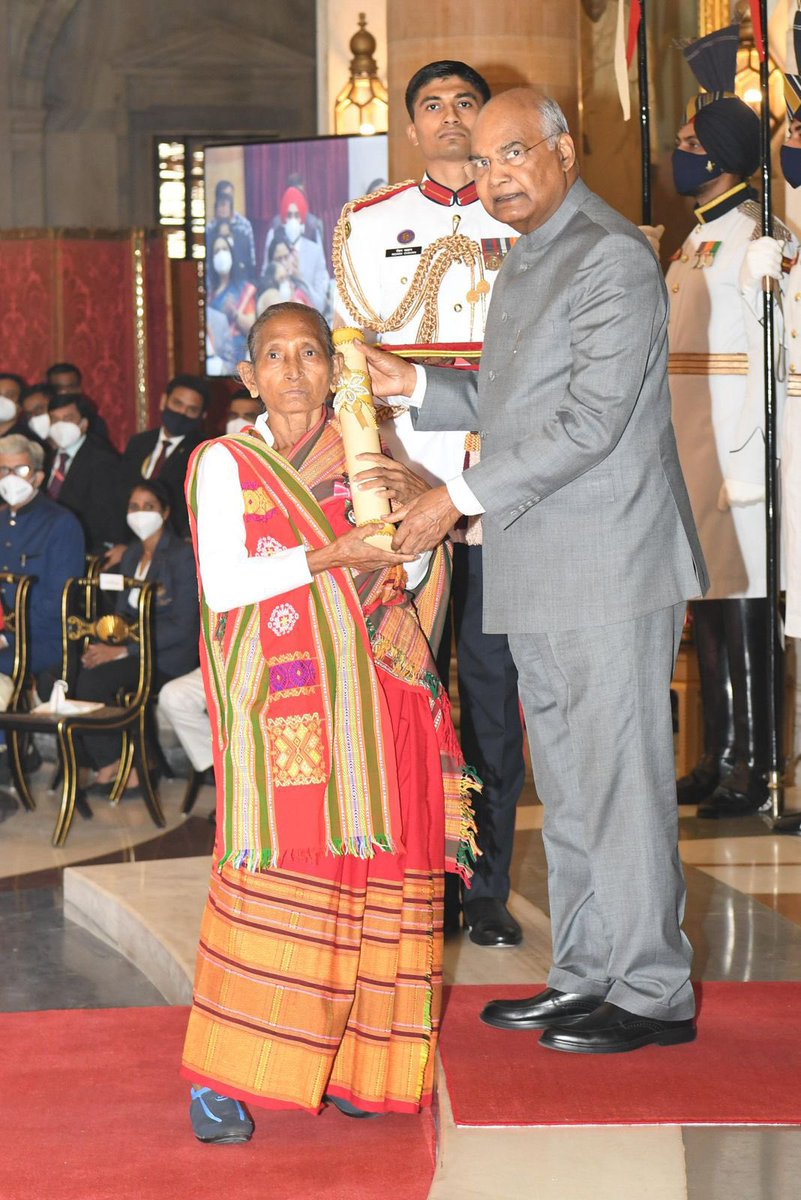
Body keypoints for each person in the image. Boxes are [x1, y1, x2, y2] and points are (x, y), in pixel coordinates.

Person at [361, 87, 708, 1055]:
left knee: (621, 779)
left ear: (563, 152)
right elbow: (511, 397)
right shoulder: (531, 258)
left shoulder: (610, 257)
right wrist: (417, 384)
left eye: (513, 154)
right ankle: (587, 971)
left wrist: (454, 501)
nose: (493, 176)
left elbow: (587, 422)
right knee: (567, 779)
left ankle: (652, 990)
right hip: (541, 562)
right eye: (481, 160)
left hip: (607, 564)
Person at [181, 302, 477, 1141]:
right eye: (274, 356)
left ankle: (356, 1066)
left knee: (370, 870)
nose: (294, 370)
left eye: (309, 353)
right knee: (276, 874)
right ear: (248, 377)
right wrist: (329, 556)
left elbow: (412, 564)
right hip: (283, 702)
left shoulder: (368, 455)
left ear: (332, 368)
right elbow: (227, 583)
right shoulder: (224, 464)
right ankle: (223, 1079)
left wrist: (410, 536)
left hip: (378, 694)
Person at [333, 60, 525, 948]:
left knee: (492, 692)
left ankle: (485, 887)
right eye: (433, 107)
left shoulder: (529, 211)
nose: (450, 119)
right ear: (410, 127)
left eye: (465, 104)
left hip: (505, 492)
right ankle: (420, 870)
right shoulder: (368, 225)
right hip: (408, 493)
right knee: (407, 686)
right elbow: (350, 377)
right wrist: (384, 476)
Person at [656, 26, 794, 818]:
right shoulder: (698, 239)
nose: (679, 156)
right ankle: (717, 752)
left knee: (744, 609)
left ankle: (754, 758)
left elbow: (764, 366)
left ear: (718, 157)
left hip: (735, 457)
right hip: (693, 450)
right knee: (705, 604)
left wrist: (747, 462)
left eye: (686, 144)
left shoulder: (754, 241)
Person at [77, 478, 199, 791]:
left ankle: (127, 766)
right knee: (76, 669)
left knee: (92, 682)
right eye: (134, 507)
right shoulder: (131, 555)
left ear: (166, 512)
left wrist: (122, 652)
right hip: (132, 649)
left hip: (168, 657)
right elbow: (123, 614)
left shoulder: (182, 557)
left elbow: (183, 626)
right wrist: (107, 640)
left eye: (149, 507)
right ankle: (112, 761)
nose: (140, 513)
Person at [0, 434, 85, 692]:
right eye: (4, 469)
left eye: (21, 470)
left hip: (43, 639)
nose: (11, 477)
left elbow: (58, 600)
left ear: (38, 476)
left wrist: (7, 635)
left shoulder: (61, 523)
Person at [114, 373, 210, 546]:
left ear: (202, 416)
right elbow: (121, 494)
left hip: (174, 547)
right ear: (163, 401)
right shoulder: (139, 442)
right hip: (129, 543)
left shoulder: (204, 452)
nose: (182, 413)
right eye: (177, 403)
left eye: (192, 410)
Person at [44, 392, 125, 554]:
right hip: (47, 543)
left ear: (84, 424)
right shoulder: (45, 456)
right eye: (54, 419)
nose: (60, 425)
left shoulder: (104, 460)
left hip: (84, 546)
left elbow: (106, 517)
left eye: (68, 419)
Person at [262, 187, 330, 314]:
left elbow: (320, 304)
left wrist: (299, 277)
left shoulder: (315, 252)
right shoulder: (276, 248)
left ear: (302, 219)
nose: (293, 220)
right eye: (289, 215)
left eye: (297, 215)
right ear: (283, 219)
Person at [207, 226, 257, 368]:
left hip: (239, 358)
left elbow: (253, 328)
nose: (221, 254)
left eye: (224, 249)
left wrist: (234, 313)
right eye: (216, 251)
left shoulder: (243, 289)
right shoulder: (209, 296)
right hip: (215, 359)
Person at [205, 180, 256, 282]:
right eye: (222, 199)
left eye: (229, 198)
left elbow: (250, 262)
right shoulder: (209, 230)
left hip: (240, 282)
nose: (224, 205)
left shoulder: (243, 227)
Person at [256, 235, 313, 314]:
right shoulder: (269, 294)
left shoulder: (298, 284)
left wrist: (299, 277)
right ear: (271, 263)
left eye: (286, 257)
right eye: (279, 259)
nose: (283, 263)